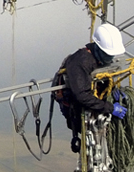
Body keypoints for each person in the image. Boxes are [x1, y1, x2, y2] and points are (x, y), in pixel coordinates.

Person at [55, 23, 129, 152]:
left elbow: (102, 78)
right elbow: (82, 95)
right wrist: (110, 108)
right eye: (107, 54)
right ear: (98, 48)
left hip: (95, 103)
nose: (110, 58)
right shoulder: (80, 62)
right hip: (78, 109)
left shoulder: (99, 60)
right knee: (94, 145)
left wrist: (113, 92)